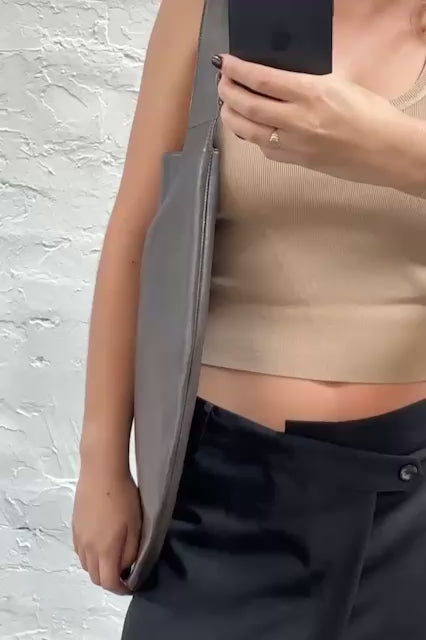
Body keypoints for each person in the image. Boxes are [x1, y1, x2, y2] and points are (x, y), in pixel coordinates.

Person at [72, 0, 426, 637]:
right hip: (226, 500)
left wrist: (394, 149)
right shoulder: (210, 10)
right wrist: (102, 463)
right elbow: (137, 231)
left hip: (415, 506)